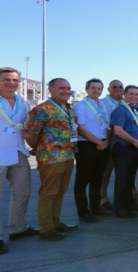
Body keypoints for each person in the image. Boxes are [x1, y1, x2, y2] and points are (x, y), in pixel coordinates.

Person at [25, 78, 79, 241]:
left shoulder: (69, 109)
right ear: (51, 90)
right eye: (61, 88)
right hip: (51, 159)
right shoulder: (42, 110)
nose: (66, 91)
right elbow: (30, 134)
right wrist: (40, 147)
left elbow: (73, 130)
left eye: (68, 88)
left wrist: (74, 149)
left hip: (68, 157)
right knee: (49, 193)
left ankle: (56, 222)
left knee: (61, 191)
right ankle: (46, 229)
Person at [0, 67, 37, 253]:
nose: (11, 83)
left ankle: (18, 228)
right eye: (7, 79)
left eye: (15, 80)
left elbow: (30, 126)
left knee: (23, 191)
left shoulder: (23, 103)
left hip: (19, 151)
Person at [72, 78, 111, 223]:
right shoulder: (80, 106)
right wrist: (98, 142)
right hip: (86, 145)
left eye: (99, 88)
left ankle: (96, 207)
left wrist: (105, 141)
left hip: (102, 145)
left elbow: (108, 126)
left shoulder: (103, 106)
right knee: (83, 180)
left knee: (97, 179)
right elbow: (81, 129)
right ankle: (83, 212)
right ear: (87, 89)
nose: (96, 90)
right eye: (93, 88)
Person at [110, 85, 138, 219]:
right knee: (123, 179)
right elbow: (118, 131)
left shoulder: (133, 110)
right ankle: (120, 209)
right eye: (131, 94)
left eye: (136, 94)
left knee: (130, 179)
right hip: (124, 148)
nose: (134, 96)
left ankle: (129, 203)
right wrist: (134, 141)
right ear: (124, 95)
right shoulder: (121, 110)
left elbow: (137, 127)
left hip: (133, 148)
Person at [99, 80, 123, 212]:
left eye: (120, 87)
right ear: (108, 89)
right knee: (105, 173)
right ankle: (102, 198)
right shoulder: (101, 103)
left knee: (124, 173)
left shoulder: (127, 103)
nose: (118, 89)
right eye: (114, 87)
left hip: (124, 144)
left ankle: (125, 197)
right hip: (108, 143)